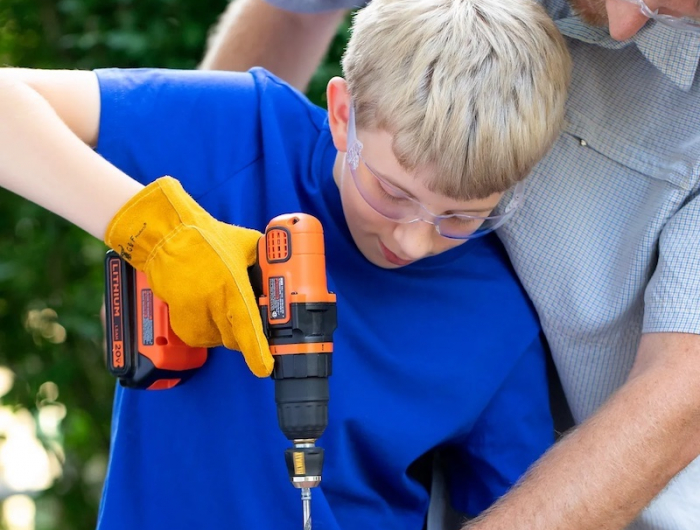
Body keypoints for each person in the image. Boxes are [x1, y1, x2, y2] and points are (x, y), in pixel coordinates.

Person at [0, 0, 572, 528]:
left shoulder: (497, 322)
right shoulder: (243, 132)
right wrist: (155, 235)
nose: (415, 239)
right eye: (393, 193)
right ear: (344, 112)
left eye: (462, 217)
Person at [201, 0, 700, 529]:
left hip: (623, 493)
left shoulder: (496, 330)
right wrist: (199, 215)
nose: (626, 28)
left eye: (673, 14)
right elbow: (296, 12)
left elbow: (682, 390)